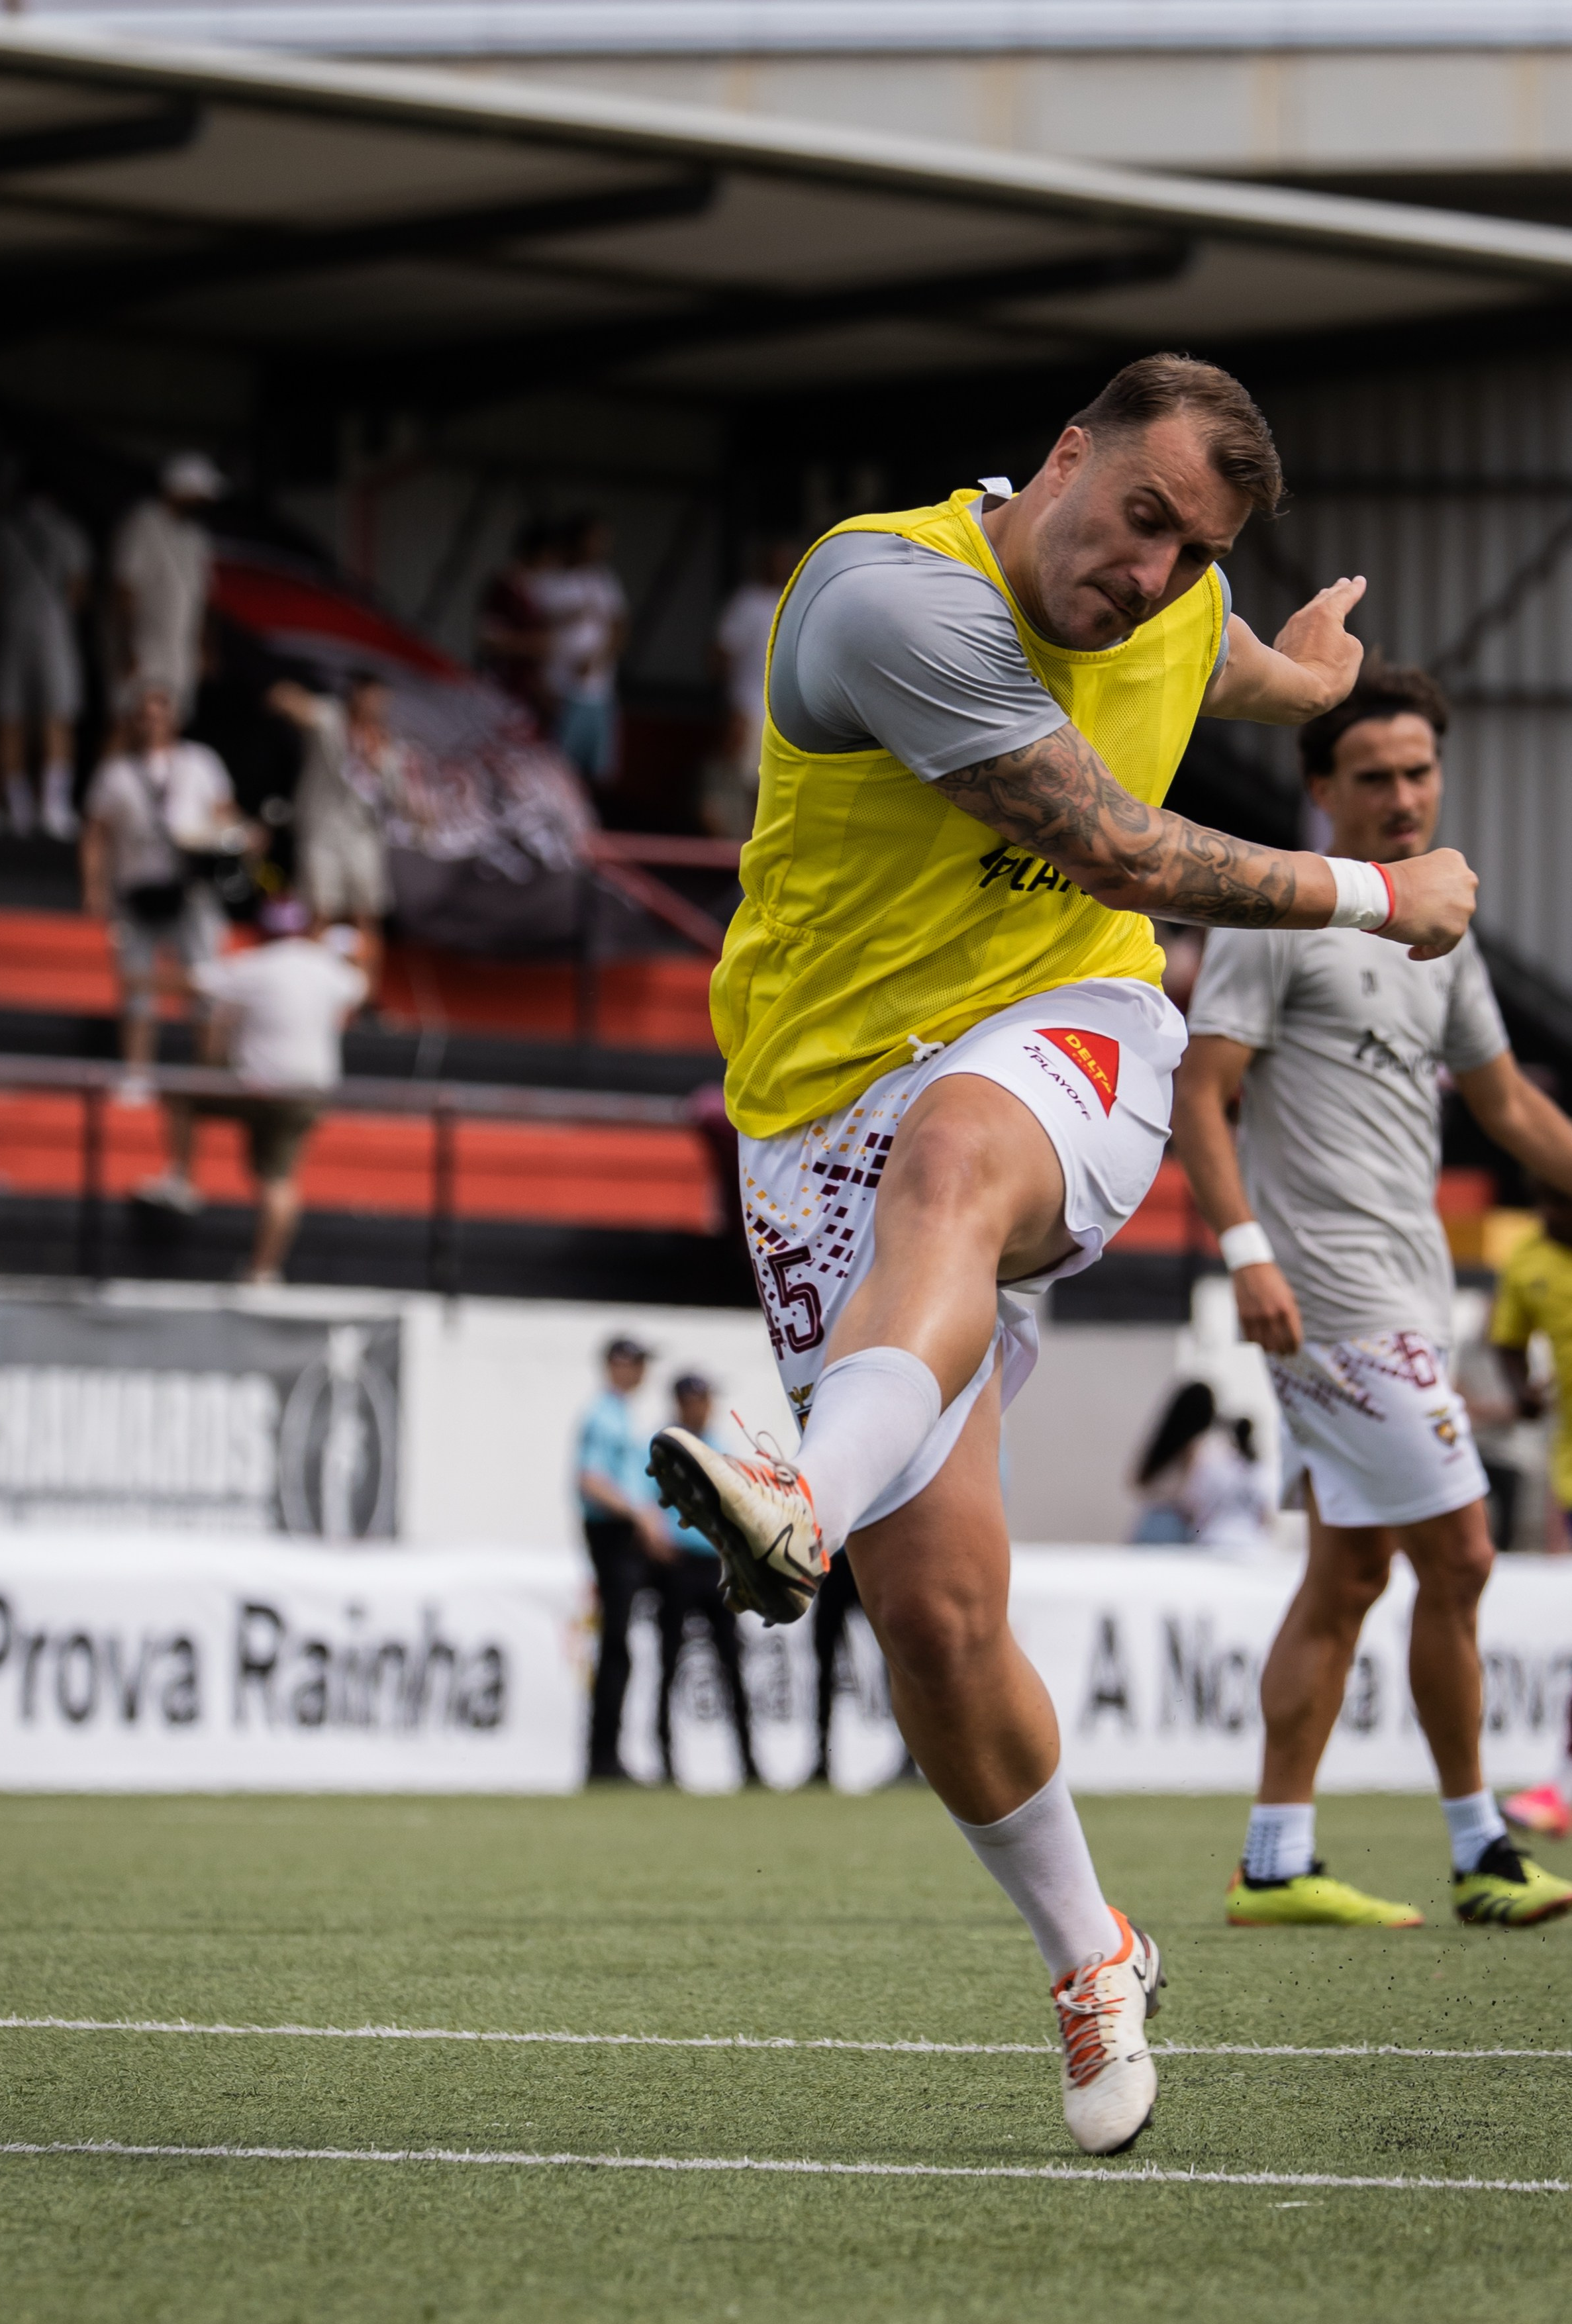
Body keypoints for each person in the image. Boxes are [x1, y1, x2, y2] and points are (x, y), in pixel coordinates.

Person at [644, 351, 1476, 2158]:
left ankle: (794, 1482)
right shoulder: (890, 600)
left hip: (1061, 1043)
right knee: (939, 1628)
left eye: (1199, 551)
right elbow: (1104, 833)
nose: (1157, 574)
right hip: (808, 1122)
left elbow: (1219, 666)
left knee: (958, 1153)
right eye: (1144, 520)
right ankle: (1094, 1949)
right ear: (1062, 458)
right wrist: (1368, 890)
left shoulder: (1178, 600)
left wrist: (1307, 676)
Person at [1173, 656, 1572, 1931]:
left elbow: (1507, 1106)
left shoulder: (1437, 923)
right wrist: (1246, 1254)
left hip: (1413, 1293)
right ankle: (1480, 1852)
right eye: (1375, 775)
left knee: (1347, 1578)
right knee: (1458, 1551)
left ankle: (1276, 1861)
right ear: (1319, 785)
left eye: (1420, 771)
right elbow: (1200, 1093)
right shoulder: (1276, 913)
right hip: (1328, 1298)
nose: (1404, 797)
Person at [144, 899, 370, 1283]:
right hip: (310, 1088)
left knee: (179, 1092)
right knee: (279, 1180)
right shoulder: (328, 968)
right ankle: (264, 1271)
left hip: (260, 1085)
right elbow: (360, 989)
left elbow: (196, 982)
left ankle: (182, 1180)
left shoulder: (255, 965)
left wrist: (141, 979)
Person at [80, 679, 246, 1098]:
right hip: (137, 889)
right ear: (134, 721)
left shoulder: (201, 763)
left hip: (192, 888)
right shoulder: (114, 772)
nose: (152, 722)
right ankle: (137, 1075)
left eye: (161, 712)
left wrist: (229, 839)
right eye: (144, 714)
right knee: (137, 984)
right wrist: (94, 886)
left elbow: (227, 817)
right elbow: (96, 834)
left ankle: (207, 1078)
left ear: (175, 718)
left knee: (206, 981)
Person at [1489, 1183, 1572, 1836]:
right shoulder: (1529, 1261)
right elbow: (1507, 1342)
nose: (1550, 1213)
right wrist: (1524, 1396)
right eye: (1542, 1200)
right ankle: (1564, 1787)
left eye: (1560, 1200)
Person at [653, 1374, 761, 1788]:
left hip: (717, 1565)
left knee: (732, 1663)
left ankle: (748, 1763)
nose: (704, 1408)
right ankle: (665, 1762)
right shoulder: (664, 1446)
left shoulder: (718, 1446)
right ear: (682, 1403)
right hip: (678, 1564)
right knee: (668, 1663)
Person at [577, 1337, 674, 1782]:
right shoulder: (604, 1416)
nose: (641, 1374)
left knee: (622, 1647)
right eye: (636, 1364)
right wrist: (638, 1516)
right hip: (612, 1535)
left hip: (624, 1535)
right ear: (617, 1365)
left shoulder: (620, 1415)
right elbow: (592, 1482)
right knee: (616, 1647)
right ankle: (603, 1759)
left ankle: (610, 1756)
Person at [0, 487, 91, 836]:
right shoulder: (70, 531)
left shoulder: (1, 530)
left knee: (10, 718)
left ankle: (19, 809)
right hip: (55, 633)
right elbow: (77, 591)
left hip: (10, 630)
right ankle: (54, 808)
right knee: (56, 717)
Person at [268, 673, 405, 937]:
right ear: (356, 692)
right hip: (323, 831)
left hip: (363, 834)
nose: (376, 704)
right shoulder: (333, 719)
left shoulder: (386, 744)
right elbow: (299, 705)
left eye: (382, 699)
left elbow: (395, 793)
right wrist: (284, 695)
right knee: (320, 911)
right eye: (371, 695)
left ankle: (365, 978)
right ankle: (314, 974)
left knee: (366, 913)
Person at [111, 453, 221, 725]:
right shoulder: (143, 522)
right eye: (199, 493)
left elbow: (202, 596)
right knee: (129, 722)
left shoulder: (197, 537)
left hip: (181, 649)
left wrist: (205, 645)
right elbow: (125, 586)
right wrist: (127, 646)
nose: (204, 501)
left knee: (172, 724)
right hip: (145, 646)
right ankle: (110, 771)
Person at [705, 538, 801, 835]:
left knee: (767, 790)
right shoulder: (747, 601)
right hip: (748, 708)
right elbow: (721, 654)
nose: (780, 566)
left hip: (780, 713)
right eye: (775, 559)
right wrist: (731, 705)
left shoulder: (792, 601)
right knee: (740, 786)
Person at [538, 514, 627, 785]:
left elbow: (620, 627)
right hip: (560, 691)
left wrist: (599, 659)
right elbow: (534, 629)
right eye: (595, 539)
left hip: (599, 692)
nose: (601, 546)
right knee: (558, 770)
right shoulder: (550, 581)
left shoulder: (604, 582)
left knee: (597, 775)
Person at [1130, 1379, 1271, 1548]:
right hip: (1176, 1524)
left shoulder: (1167, 1442)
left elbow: (1140, 1482)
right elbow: (1191, 1495)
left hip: (1152, 1521)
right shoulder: (1197, 1449)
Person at [477, 520, 560, 724]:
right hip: (501, 693)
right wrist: (537, 645)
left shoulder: (537, 591)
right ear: (541, 552)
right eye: (553, 554)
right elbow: (489, 640)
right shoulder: (505, 588)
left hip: (528, 694)